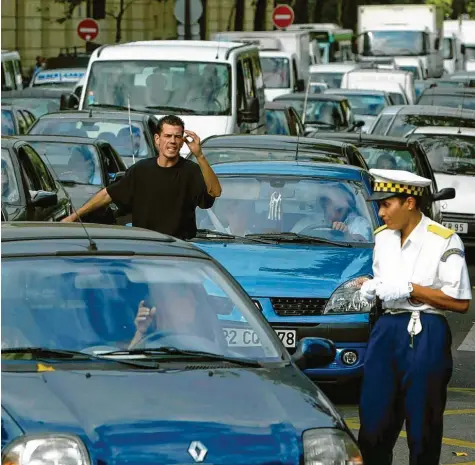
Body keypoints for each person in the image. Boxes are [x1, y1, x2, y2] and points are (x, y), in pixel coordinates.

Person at [357, 169, 472, 465]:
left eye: (386, 204)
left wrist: (413, 289)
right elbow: (386, 281)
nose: (380, 212)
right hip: (387, 328)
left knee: (423, 425)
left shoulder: (443, 241)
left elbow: (460, 302)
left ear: (409, 202)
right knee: (373, 423)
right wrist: (370, 287)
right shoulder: (383, 238)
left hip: (426, 330)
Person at [61, 115, 222, 240]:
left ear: (182, 142)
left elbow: (215, 192)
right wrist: (73, 217)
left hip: (180, 250)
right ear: (157, 139)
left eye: (177, 137)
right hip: (146, 248)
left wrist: (199, 155)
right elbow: (108, 194)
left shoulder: (191, 171)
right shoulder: (140, 170)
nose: (172, 141)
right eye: (168, 136)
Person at [291, 184, 372, 241]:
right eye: (330, 207)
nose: (334, 214)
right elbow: (291, 238)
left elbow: (363, 243)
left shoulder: (358, 223)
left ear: (346, 209)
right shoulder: (309, 221)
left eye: (339, 210)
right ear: (324, 205)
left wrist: (347, 236)